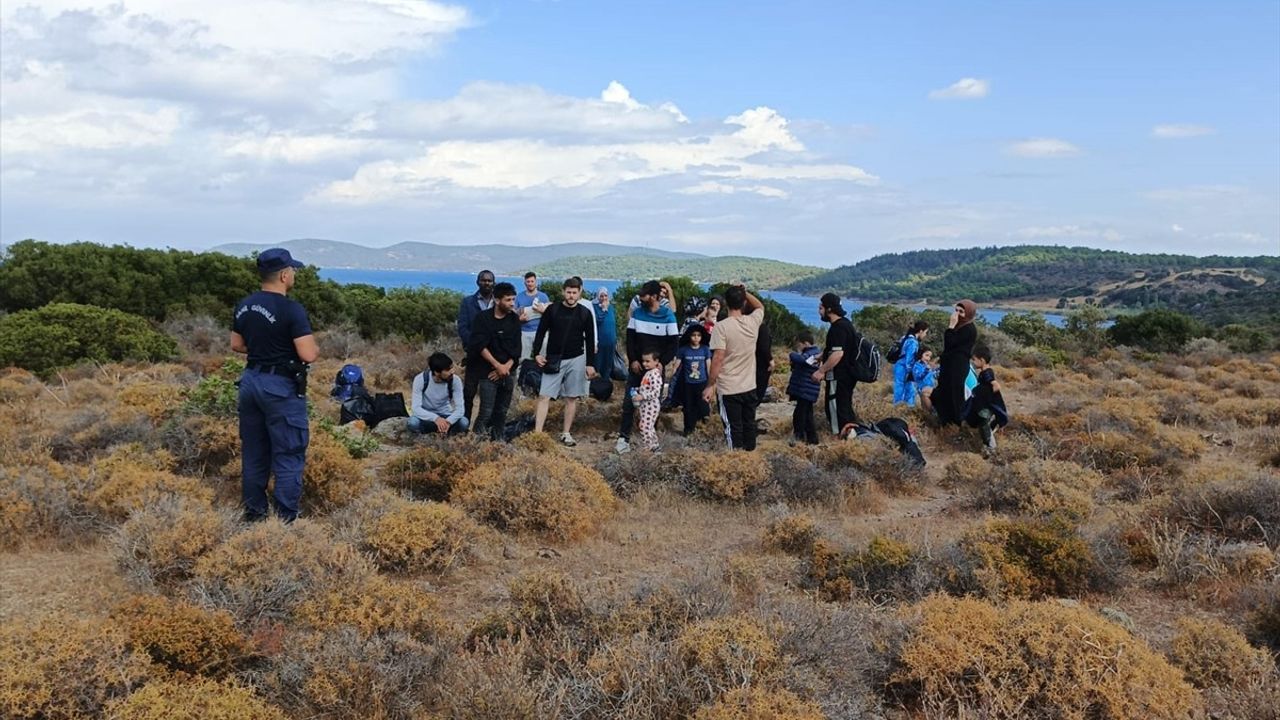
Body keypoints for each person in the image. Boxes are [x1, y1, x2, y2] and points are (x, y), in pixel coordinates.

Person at [230, 248, 318, 523]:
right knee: (289, 452)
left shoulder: (244, 305)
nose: (294, 274)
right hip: (280, 386)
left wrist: (262, 350)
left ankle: (255, 515)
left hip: (251, 381)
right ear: (283, 275)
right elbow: (308, 354)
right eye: (292, 270)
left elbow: (236, 344)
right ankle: (285, 521)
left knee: (255, 452)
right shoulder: (291, 309)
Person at [617, 280, 680, 453]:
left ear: (654, 296)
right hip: (637, 367)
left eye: (645, 295)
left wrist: (661, 363)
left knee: (653, 404)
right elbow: (630, 339)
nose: (641, 298)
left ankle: (651, 441)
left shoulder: (668, 316)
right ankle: (624, 437)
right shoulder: (637, 313)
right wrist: (633, 360)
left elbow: (673, 344)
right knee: (629, 403)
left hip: (656, 372)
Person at [532, 277, 597, 445]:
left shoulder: (585, 313)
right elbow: (541, 331)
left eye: (574, 293)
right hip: (554, 357)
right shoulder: (552, 310)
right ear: (563, 292)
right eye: (568, 292)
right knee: (544, 396)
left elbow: (590, 340)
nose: (571, 296)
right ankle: (537, 434)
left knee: (571, 397)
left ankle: (566, 433)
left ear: (579, 293)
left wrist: (591, 364)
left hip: (577, 358)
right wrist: (536, 353)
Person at [704, 284, 765, 451]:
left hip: (729, 388)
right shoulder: (752, 322)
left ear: (726, 304)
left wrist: (710, 385)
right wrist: (745, 292)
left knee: (733, 428)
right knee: (749, 425)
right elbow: (760, 306)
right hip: (749, 385)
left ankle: (735, 461)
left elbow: (718, 358)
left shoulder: (721, 327)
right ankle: (750, 459)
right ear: (744, 303)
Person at [468, 282, 521, 441]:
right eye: (508, 300)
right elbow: (480, 345)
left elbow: (516, 348)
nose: (512, 303)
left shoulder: (514, 319)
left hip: (508, 372)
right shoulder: (483, 319)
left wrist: (506, 368)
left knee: (502, 411)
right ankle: (475, 444)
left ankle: (498, 442)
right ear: (497, 300)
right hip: (487, 373)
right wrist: (497, 366)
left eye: (513, 299)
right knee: (486, 411)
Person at [811, 293, 861, 435]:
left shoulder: (838, 328)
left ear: (829, 309)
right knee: (844, 405)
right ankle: (850, 435)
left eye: (821, 308)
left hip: (839, 376)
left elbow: (838, 354)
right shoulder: (845, 324)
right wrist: (822, 356)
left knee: (835, 407)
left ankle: (840, 436)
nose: (819, 311)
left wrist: (821, 371)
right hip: (847, 375)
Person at [457, 270, 496, 420]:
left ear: (494, 283)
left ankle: (484, 428)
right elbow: (463, 327)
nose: (486, 283)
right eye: (483, 280)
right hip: (473, 355)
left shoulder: (498, 303)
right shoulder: (467, 302)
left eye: (489, 281)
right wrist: (476, 345)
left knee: (489, 396)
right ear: (478, 282)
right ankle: (464, 424)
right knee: (469, 393)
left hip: (493, 357)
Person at [934, 299, 979, 425]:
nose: (957, 314)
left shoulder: (969, 329)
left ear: (968, 314)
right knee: (943, 391)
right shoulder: (959, 327)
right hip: (949, 366)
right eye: (956, 310)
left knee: (954, 394)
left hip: (957, 366)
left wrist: (951, 327)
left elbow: (950, 344)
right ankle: (944, 420)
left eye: (962, 312)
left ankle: (955, 422)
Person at [408, 352, 468, 436]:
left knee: (464, 422)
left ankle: (448, 436)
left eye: (451, 368)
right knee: (413, 422)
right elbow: (416, 408)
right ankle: (424, 439)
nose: (452, 372)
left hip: (446, 416)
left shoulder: (455, 380)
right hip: (427, 417)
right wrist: (435, 418)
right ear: (436, 372)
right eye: (447, 370)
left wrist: (448, 422)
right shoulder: (421, 379)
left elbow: (460, 409)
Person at [964, 344, 1009, 450]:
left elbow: (996, 386)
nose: (973, 362)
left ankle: (992, 447)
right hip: (985, 405)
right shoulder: (984, 372)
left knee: (984, 424)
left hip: (986, 406)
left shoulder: (987, 373)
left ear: (982, 360)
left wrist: (987, 397)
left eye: (974, 360)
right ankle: (988, 445)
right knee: (983, 424)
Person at [670, 324, 711, 435]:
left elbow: (708, 366)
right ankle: (688, 429)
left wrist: (711, 383)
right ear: (689, 336)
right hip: (688, 384)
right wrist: (672, 377)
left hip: (702, 383)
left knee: (703, 407)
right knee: (688, 407)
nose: (696, 337)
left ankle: (704, 428)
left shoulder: (705, 350)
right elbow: (676, 365)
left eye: (698, 335)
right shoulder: (683, 350)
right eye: (693, 335)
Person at [787, 330, 822, 445]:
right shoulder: (814, 353)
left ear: (806, 343)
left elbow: (803, 361)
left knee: (800, 415)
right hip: (807, 390)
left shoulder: (813, 354)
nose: (799, 347)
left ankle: (799, 437)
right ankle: (812, 439)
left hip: (806, 390)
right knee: (807, 415)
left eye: (799, 345)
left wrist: (792, 354)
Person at [631, 351, 665, 451]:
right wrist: (637, 390)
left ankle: (648, 447)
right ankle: (654, 446)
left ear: (656, 361)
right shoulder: (649, 373)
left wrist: (642, 396)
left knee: (644, 426)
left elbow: (655, 392)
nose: (644, 364)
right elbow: (647, 387)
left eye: (648, 361)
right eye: (643, 361)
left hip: (651, 405)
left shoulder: (655, 374)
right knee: (648, 426)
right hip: (645, 405)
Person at [515, 272, 550, 362]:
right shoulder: (519, 297)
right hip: (524, 332)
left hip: (541, 331)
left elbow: (550, 314)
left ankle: (541, 375)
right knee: (522, 359)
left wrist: (543, 311)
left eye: (532, 281)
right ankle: (520, 376)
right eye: (528, 281)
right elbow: (513, 314)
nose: (530, 283)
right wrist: (519, 319)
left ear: (536, 282)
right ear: (525, 283)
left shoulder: (543, 296)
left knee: (543, 358)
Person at [893, 321, 930, 406]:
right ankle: (906, 408)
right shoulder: (913, 342)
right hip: (904, 368)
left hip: (899, 366)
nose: (925, 335)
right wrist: (911, 373)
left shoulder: (906, 337)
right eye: (925, 332)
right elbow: (909, 359)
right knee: (907, 390)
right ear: (921, 331)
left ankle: (899, 407)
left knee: (900, 388)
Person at [593, 286, 618, 379]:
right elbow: (597, 321)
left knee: (608, 362)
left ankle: (606, 380)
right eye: (601, 296)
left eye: (605, 296)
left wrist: (616, 339)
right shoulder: (594, 307)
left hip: (611, 340)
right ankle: (597, 382)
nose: (604, 298)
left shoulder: (611, 307)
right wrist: (603, 309)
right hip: (600, 341)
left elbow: (613, 323)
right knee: (598, 362)